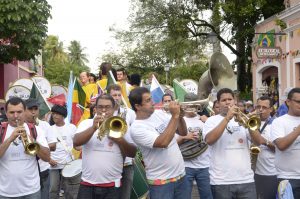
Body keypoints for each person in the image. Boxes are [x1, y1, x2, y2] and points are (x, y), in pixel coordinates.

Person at [73, 94, 137, 199]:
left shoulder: (120, 125)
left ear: (113, 108)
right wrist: (93, 128)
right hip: (87, 184)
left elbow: (132, 153)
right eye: (100, 107)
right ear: (95, 108)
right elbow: (76, 142)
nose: (104, 110)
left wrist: (119, 139)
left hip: (112, 185)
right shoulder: (86, 123)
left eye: (107, 107)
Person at [129, 87, 188, 199]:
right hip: (161, 182)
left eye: (151, 99)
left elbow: (183, 132)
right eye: (147, 101)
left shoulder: (159, 113)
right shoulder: (137, 128)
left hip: (181, 176)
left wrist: (180, 117)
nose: (153, 102)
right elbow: (163, 143)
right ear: (137, 106)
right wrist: (175, 116)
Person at [203, 88, 256, 199]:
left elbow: (257, 141)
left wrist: (250, 124)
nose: (228, 102)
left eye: (230, 99)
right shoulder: (211, 121)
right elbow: (209, 140)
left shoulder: (243, 119)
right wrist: (227, 118)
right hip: (221, 181)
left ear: (234, 101)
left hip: (246, 179)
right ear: (218, 103)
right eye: (224, 100)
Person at [0, 97, 50, 198]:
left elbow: (47, 157)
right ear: (6, 112)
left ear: (25, 111)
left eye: (19, 112)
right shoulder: (1, 130)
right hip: (6, 192)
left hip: (32, 190)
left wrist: (31, 139)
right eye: (11, 112)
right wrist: (10, 139)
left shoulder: (36, 130)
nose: (16, 116)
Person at [176, 93, 212, 199]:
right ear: (184, 105)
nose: (191, 107)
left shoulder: (204, 119)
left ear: (198, 105)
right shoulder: (179, 120)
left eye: (194, 105)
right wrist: (184, 137)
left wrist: (209, 121)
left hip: (205, 165)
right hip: (185, 165)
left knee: (207, 196)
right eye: (189, 104)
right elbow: (172, 144)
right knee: (184, 196)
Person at [107, 84, 136, 199]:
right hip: (109, 160)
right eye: (114, 95)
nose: (117, 97)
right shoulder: (104, 113)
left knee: (125, 194)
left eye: (119, 95)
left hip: (127, 162)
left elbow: (136, 132)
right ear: (108, 96)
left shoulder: (130, 113)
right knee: (110, 194)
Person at [24, 98, 57, 199]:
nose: (33, 112)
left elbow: (53, 145)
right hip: (26, 171)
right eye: (30, 109)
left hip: (43, 169)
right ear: (24, 110)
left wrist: (41, 146)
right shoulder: (20, 126)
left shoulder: (45, 125)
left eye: (36, 109)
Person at [271, 87, 300, 198]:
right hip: (288, 178)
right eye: (298, 102)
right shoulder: (279, 122)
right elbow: (281, 145)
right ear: (288, 102)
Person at [249, 96, 277, 199]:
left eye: (264, 107)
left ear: (271, 109)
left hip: (271, 172)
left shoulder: (276, 124)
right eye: (258, 107)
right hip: (253, 172)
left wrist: (265, 142)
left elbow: (280, 148)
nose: (260, 110)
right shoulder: (251, 121)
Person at [48, 104, 78, 199]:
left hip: (68, 163)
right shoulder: (49, 129)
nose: (55, 116)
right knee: (53, 189)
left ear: (63, 115)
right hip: (53, 164)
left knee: (69, 190)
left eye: (57, 114)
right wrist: (49, 160)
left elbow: (77, 145)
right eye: (53, 114)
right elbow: (44, 148)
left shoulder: (72, 127)